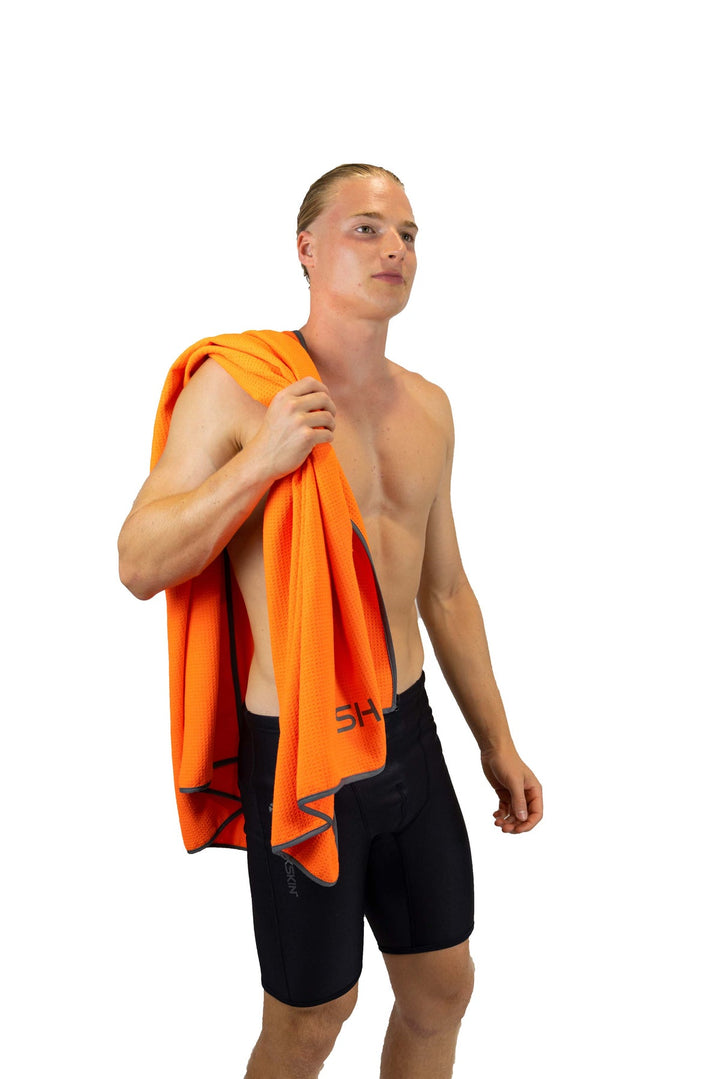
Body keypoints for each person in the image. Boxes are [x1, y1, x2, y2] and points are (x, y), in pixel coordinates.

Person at [118, 163, 543, 1079]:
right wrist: (260, 460)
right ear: (306, 249)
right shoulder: (239, 387)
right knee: (312, 1019)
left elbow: (445, 592)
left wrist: (498, 742)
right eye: (367, 228)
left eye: (409, 234)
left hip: (410, 734)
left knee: (442, 988)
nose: (396, 248)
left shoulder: (429, 407)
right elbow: (139, 561)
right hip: (300, 742)